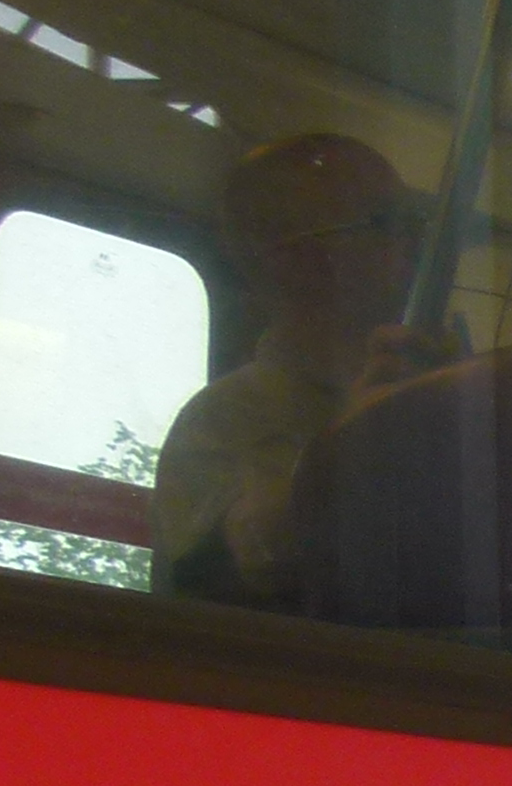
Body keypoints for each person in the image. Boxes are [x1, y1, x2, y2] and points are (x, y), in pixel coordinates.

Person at [154, 133, 441, 607]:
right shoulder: (219, 422)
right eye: (385, 223)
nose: (416, 243)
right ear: (292, 257)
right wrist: (357, 444)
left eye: (417, 223)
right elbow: (241, 570)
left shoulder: (440, 398)